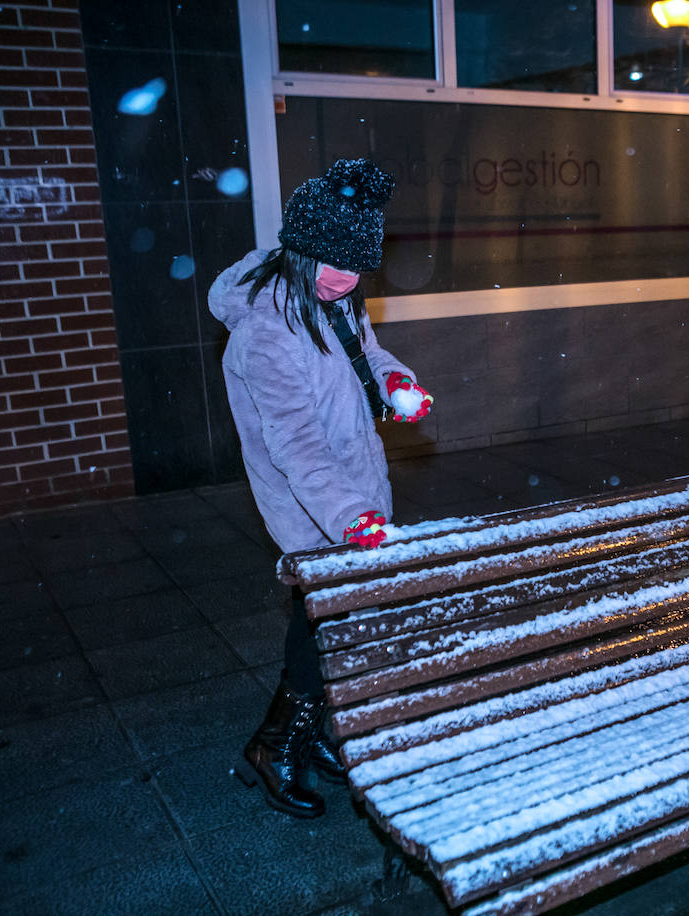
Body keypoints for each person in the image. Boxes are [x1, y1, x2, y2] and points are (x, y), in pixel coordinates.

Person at [208, 158, 433, 818]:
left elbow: (368, 355)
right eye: (332, 260)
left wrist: (396, 385)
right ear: (298, 249)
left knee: (334, 622)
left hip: (353, 486)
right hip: (313, 504)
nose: (346, 276)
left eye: (358, 262)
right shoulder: (265, 332)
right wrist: (351, 517)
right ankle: (275, 747)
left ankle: (305, 737)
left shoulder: (330, 298)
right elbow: (298, 448)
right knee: (323, 622)